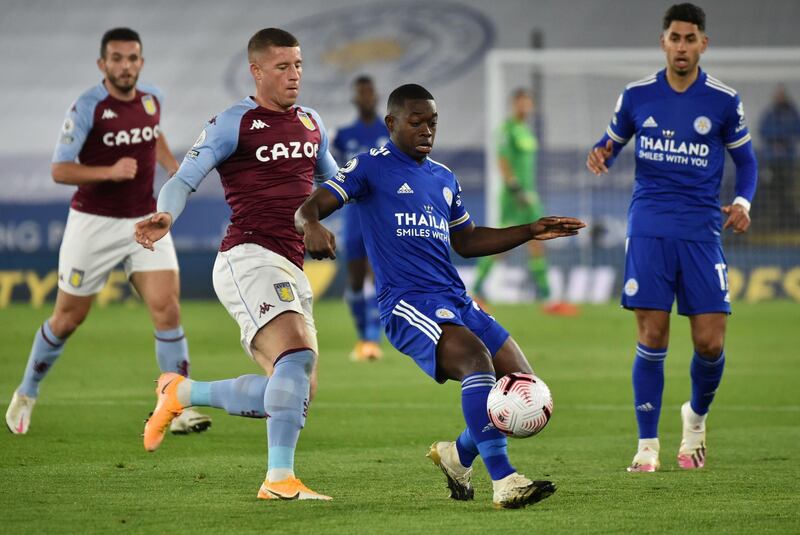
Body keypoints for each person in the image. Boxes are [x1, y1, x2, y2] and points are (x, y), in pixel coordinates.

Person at [296, 83, 585, 508]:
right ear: (392, 123)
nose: (427, 131)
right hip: (408, 303)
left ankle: (458, 454)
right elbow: (309, 207)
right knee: (476, 362)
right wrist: (312, 226)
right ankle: (504, 481)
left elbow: (466, 241)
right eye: (416, 123)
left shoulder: (443, 177)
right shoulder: (369, 167)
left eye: (432, 123)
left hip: (457, 299)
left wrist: (530, 231)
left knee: (524, 388)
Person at [134, 27, 337, 501]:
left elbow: (336, 182)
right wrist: (166, 213)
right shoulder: (234, 122)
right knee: (297, 358)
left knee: (292, 392)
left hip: (289, 262)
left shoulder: (312, 123)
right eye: (283, 67)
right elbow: (184, 180)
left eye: (299, 65)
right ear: (257, 70)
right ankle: (278, 480)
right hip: (248, 255)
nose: (294, 75)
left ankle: (182, 394)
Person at [5, 27, 211, 436]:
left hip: (143, 220)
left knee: (167, 309)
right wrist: (110, 171)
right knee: (67, 319)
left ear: (141, 63)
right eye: (116, 58)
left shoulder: (152, 99)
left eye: (132, 58)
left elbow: (152, 134)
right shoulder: (87, 108)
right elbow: (60, 170)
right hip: (93, 224)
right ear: (103, 64)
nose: (125, 66)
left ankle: (176, 404)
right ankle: (27, 392)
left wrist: (172, 166)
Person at [586, 3, 758, 472]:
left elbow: (747, 163)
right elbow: (610, 142)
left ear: (704, 44)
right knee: (652, 333)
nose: (682, 47)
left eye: (690, 38)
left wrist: (742, 203)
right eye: (675, 38)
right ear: (663, 42)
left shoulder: (724, 100)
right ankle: (647, 445)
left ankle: (695, 419)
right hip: (649, 227)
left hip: (701, 231)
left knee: (710, 343)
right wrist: (600, 154)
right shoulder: (637, 95)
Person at [473, 89, 579, 316]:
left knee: (538, 242)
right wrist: (516, 189)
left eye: (528, 103)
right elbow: (502, 160)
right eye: (520, 103)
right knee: (500, 245)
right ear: (514, 104)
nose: (524, 107)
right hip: (514, 197)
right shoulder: (507, 130)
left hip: (529, 196)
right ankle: (474, 293)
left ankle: (549, 300)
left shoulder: (525, 131)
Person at [332, 75, 390, 361]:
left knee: (376, 274)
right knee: (355, 280)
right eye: (361, 93)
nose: (366, 97)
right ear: (356, 99)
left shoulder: (389, 132)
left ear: (376, 97)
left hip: (382, 213)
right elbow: (333, 175)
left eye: (370, 92)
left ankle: (372, 338)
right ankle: (362, 336)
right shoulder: (343, 135)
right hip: (354, 214)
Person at [758, 85, 800, 228]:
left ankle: (790, 219)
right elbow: (763, 130)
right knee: (773, 191)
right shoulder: (770, 114)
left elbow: (796, 130)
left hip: (788, 160)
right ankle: (775, 220)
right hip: (773, 161)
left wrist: (784, 142)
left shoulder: (792, 114)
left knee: (788, 190)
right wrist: (774, 141)